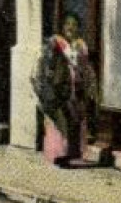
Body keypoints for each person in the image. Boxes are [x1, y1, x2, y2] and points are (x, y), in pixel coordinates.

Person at [34, 11, 98, 168]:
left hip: (76, 87)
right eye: (68, 24)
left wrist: (90, 85)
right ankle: (58, 153)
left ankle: (72, 152)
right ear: (62, 26)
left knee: (76, 118)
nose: (71, 28)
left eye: (74, 25)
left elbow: (86, 67)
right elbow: (45, 64)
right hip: (60, 86)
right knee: (59, 118)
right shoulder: (55, 42)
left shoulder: (81, 45)